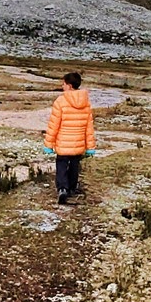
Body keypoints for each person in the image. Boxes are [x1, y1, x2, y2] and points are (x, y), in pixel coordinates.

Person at [43, 72, 96, 204]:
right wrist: (90, 147)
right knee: (74, 165)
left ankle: (62, 189)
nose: (62, 86)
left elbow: (53, 125)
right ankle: (72, 187)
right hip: (78, 143)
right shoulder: (86, 102)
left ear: (70, 85)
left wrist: (49, 144)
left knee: (61, 165)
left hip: (63, 143)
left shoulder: (60, 101)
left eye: (64, 83)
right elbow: (89, 127)